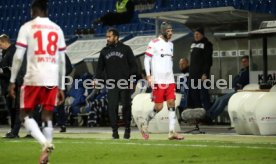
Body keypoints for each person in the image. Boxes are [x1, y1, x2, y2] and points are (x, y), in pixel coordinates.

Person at [8, 0, 66, 163]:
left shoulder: (27, 27)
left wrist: (12, 80)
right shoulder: (57, 29)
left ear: (33, 11)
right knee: (47, 116)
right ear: (46, 11)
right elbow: (62, 60)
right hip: (52, 78)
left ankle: (45, 143)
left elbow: (18, 57)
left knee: (24, 115)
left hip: (33, 77)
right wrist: (61, 86)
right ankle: (46, 154)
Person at [142, 22, 184, 140]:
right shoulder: (154, 43)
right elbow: (147, 59)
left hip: (169, 79)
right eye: (168, 31)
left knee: (172, 103)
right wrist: (149, 76)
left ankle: (172, 131)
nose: (171, 33)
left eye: (171, 31)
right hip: (158, 80)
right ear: (163, 31)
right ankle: (145, 121)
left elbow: (169, 62)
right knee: (159, 107)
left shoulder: (171, 45)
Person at [95, 28, 138, 139]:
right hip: (111, 84)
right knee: (112, 107)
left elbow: (134, 66)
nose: (107, 38)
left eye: (109, 36)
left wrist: (133, 80)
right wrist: (96, 79)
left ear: (116, 37)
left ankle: (127, 129)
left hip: (125, 83)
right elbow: (100, 67)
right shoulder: (104, 51)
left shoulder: (126, 49)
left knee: (126, 106)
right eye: (107, 37)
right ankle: (114, 131)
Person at [205, 55, 250, 121]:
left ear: (249, 62)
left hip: (242, 92)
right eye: (242, 62)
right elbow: (235, 81)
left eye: (245, 61)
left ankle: (211, 117)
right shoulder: (242, 71)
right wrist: (237, 82)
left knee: (223, 100)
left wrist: (238, 82)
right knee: (218, 99)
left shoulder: (249, 71)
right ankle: (208, 114)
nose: (243, 63)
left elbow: (240, 81)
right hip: (237, 90)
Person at [188, 27, 213, 111]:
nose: (196, 36)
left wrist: (205, 73)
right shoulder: (193, 44)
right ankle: (198, 116)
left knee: (203, 96)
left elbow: (208, 61)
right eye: (195, 34)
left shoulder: (207, 44)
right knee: (195, 97)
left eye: (198, 34)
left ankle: (208, 116)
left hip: (201, 76)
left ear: (202, 35)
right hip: (193, 75)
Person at [0, 34, 18, 138]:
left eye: (0, 44)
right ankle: (13, 130)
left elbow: (12, 71)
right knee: (11, 110)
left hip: (11, 85)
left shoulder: (12, 52)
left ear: (4, 42)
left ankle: (14, 131)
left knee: (14, 109)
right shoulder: (7, 52)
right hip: (6, 85)